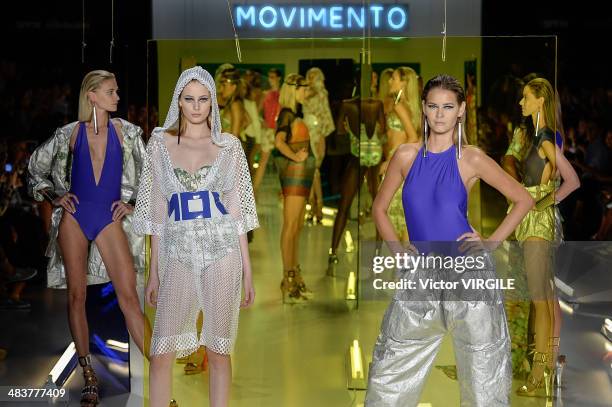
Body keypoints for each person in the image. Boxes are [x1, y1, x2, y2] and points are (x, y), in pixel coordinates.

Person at [365, 74, 534, 406]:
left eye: (447, 107)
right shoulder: (405, 156)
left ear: (460, 110)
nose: (440, 114)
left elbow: (523, 199)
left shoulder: (470, 158)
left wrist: (491, 242)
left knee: (483, 381)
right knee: (388, 379)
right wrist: (399, 253)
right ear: (424, 109)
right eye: (433, 106)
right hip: (420, 275)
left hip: (468, 275)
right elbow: (379, 209)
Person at [133, 66, 257, 407]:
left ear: (213, 102)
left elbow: (238, 213)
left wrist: (247, 270)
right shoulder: (159, 143)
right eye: (189, 99)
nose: (197, 106)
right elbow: (158, 212)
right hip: (177, 252)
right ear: (179, 101)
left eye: (203, 99)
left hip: (223, 252)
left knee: (218, 352)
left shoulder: (229, 146)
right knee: (161, 352)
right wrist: (154, 270)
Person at [27, 70, 149, 407]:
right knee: (76, 297)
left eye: (118, 91)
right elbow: (35, 170)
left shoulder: (127, 132)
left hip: (108, 218)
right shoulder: (69, 134)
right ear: (92, 95)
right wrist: (54, 195)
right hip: (75, 218)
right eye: (111, 92)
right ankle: (89, 376)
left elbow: (153, 172)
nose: (118, 97)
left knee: (129, 299)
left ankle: (160, 367)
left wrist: (133, 202)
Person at [512, 77, 579, 398]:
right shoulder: (544, 136)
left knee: (541, 302)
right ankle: (549, 366)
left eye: (526, 98)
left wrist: (541, 201)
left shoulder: (546, 138)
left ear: (540, 100)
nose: (521, 103)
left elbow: (572, 181)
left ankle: (538, 374)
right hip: (538, 223)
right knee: (547, 302)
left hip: (538, 225)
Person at [273, 73, 315, 302]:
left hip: (302, 175)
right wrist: (296, 157)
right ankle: (288, 278)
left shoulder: (295, 113)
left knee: (296, 227)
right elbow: (278, 141)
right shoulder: (287, 114)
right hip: (295, 175)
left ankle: (295, 276)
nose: (307, 91)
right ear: (294, 89)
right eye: (304, 88)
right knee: (290, 226)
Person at [380, 67, 421, 242]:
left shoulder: (399, 106)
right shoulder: (405, 105)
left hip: (398, 165)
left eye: (394, 78)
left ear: (404, 83)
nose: (390, 81)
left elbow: (412, 137)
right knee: (403, 222)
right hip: (404, 165)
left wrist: (389, 161)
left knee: (400, 222)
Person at [302, 67, 335, 224]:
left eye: (314, 76)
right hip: (306, 132)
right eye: (310, 76)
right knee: (313, 171)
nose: (312, 79)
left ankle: (315, 207)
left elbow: (325, 116)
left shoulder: (322, 93)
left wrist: (322, 135)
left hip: (317, 133)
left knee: (314, 171)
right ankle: (317, 208)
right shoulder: (306, 92)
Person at [253, 68, 282, 194]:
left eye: (273, 77)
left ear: (278, 78)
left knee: (282, 161)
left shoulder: (283, 94)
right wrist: (261, 121)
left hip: (279, 130)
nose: (271, 79)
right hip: (268, 130)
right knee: (263, 160)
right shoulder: (266, 94)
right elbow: (257, 111)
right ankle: (254, 190)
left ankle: (283, 191)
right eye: (269, 76)